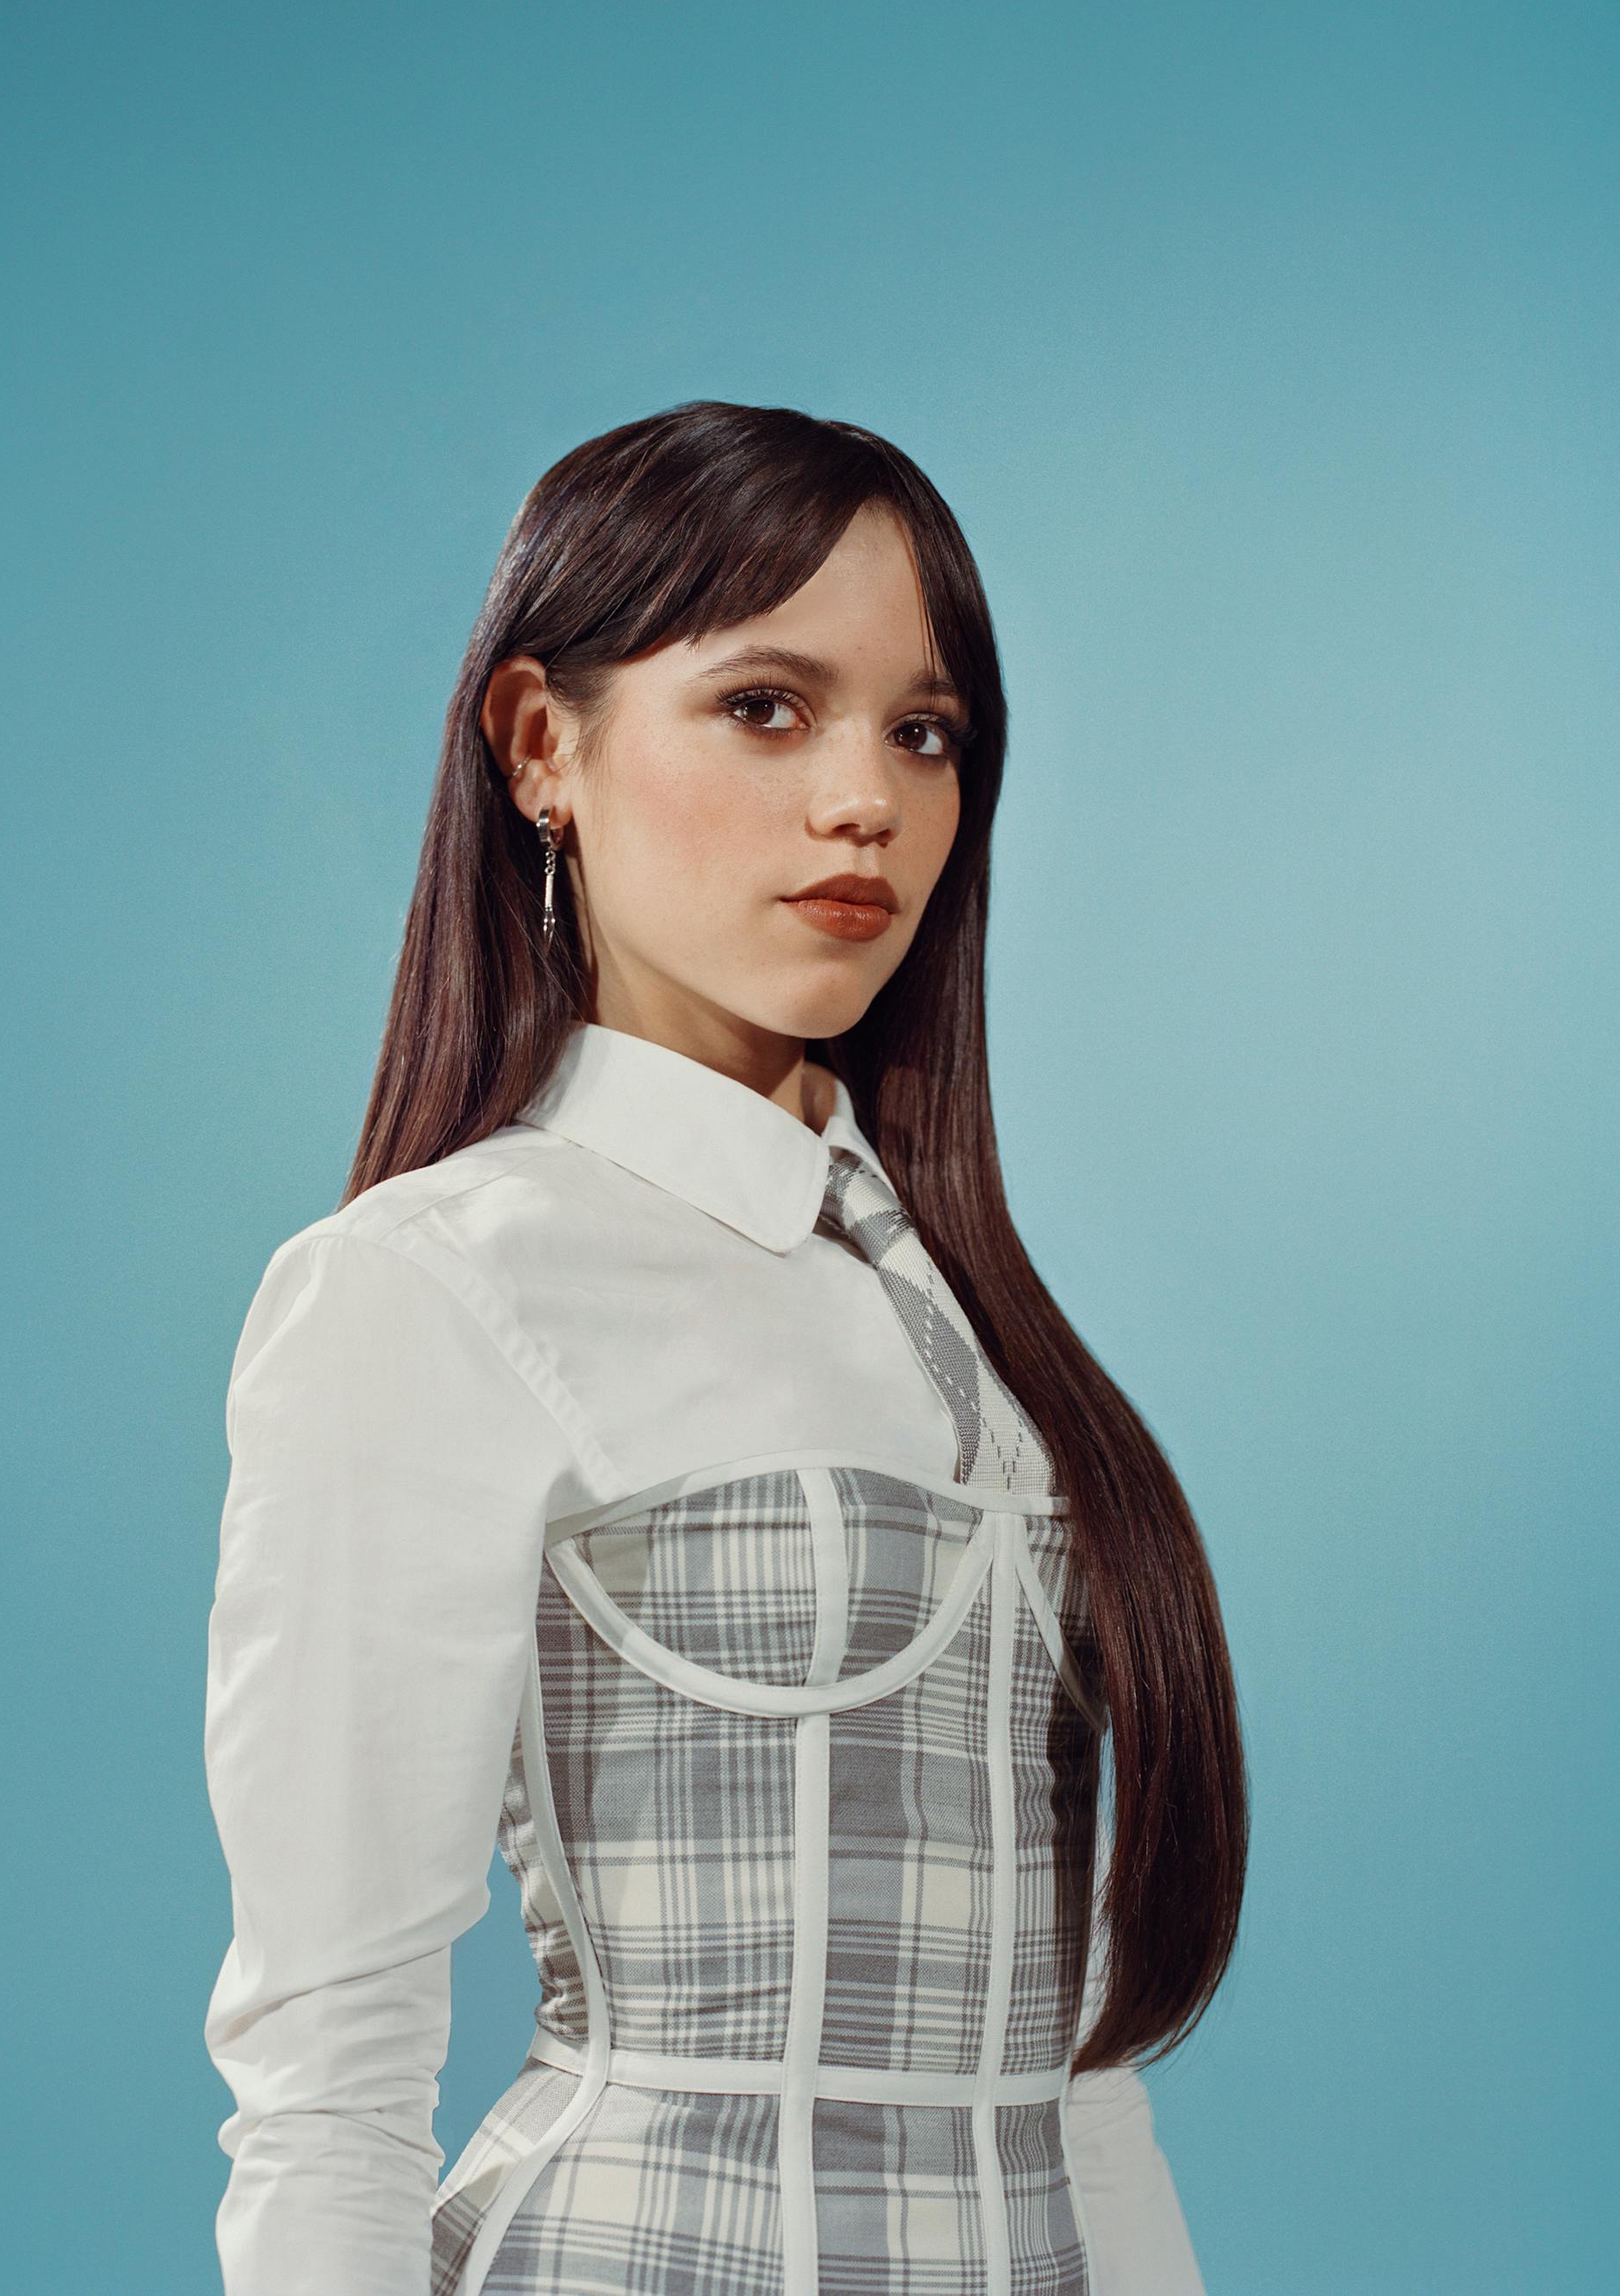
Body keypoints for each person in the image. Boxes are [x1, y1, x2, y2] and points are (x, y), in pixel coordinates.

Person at [201, 399, 1248, 2296]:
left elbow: (1078, 2096)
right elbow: (329, 2081)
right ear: (542, 746)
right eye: (766, 705)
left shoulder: (977, 1324)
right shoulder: (432, 1284)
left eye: (923, 733)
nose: (864, 798)